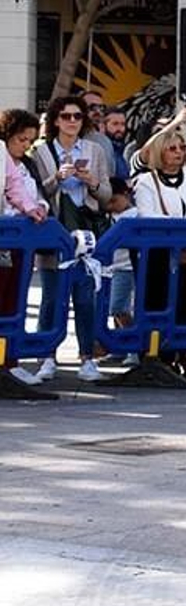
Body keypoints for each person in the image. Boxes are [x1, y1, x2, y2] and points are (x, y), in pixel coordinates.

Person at [30, 94, 113, 382]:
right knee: (52, 299)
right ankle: (46, 356)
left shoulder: (95, 150)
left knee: (86, 298)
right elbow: (36, 193)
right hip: (54, 233)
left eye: (78, 116)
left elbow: (106, 197)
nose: (73, 121)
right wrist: (57, 178)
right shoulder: (41, 152)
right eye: (66, 116)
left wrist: (92, 182)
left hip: (86, 233)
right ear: (55, 120)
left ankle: (87, 358)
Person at [132, 120, 186, 379]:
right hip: (159, 254)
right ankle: (157, 356)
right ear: (160, 152)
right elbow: (147, 214)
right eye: (172, 148)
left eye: (182, 148)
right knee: (157, 302)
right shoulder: (146, 181)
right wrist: (179, 229)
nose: (179, 152)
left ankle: (182, 355)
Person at [1, 110, 49, 388]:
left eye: (30, 141)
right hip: (7, 234)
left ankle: (9, 361)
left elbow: (17, 187)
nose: (26, 145)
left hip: (18, 241)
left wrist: (34, 207)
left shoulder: (21, 164)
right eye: (21, 139)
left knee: (12, 301)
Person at [101, 106, 131, 180]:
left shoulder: (127, 149)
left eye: (123, 124)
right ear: (103, 126)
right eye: (115, 124)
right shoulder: (99, 149)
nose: (120, 128)